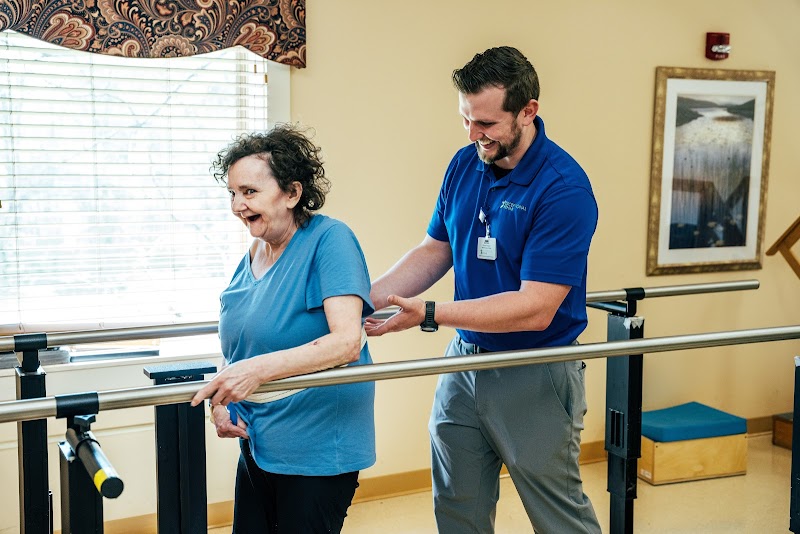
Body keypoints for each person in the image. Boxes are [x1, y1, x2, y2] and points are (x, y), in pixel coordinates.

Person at [365, 46, 601, 533]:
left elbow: (535, 308)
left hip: (534, 366)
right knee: (456, 506)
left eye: (487, 124)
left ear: (528, 111)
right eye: (466, 120)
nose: (474, 135)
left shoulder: (564, 189)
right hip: (465, 361)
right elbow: (435, 249)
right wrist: (361, 299)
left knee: (557, 516)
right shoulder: (464, 164)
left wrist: (430, 312)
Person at [191, 124, 375, 533]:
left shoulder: (330, 241)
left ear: (292, 193)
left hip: (318, 446)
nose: (238, 205)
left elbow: (346, 342)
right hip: (259, 442)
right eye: (232, 193)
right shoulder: (255, 250)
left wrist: (252, 373)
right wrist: (222, 401)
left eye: (250, 192)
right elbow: (240, 343)